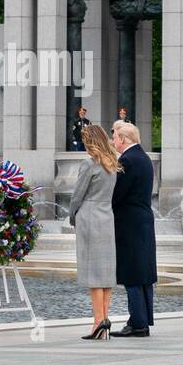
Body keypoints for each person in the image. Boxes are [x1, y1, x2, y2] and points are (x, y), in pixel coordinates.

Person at [68, 123, 121, 340]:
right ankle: (103, 320)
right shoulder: (112, 164)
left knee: (93, 273)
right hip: (106, 217)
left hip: (89, 216)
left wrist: (72, 216)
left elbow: (78, 194)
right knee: (106, 273)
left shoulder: (89, 164)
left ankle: (98, 321)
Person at [109, 121, 156, 337]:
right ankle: (142, 320)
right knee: (143, 274)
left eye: (115, 137)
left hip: (129, 223)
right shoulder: (144, 158)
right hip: (143, 221)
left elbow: (117, 194)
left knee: (132, 274)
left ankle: (137, 324)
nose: (113, 141)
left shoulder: (127, 160)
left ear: (123, 139)